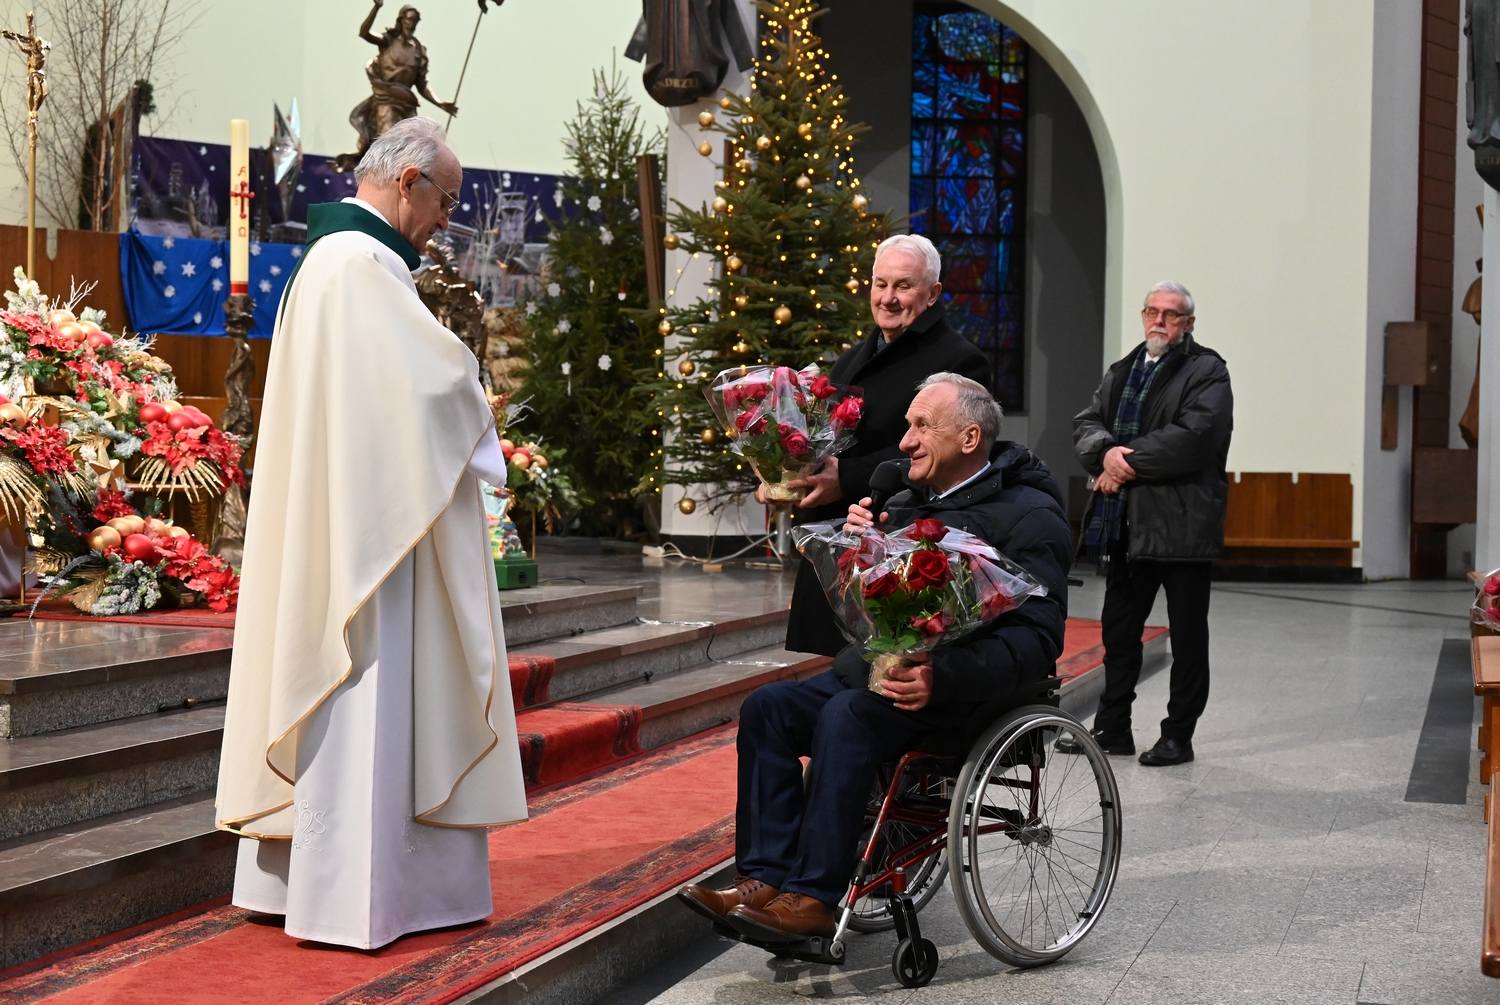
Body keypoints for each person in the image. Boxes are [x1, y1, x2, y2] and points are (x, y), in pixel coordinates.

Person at [216, 117, 527, 950]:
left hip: (353, 517)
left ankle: (309, 883)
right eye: (447, 199)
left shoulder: (336, 263)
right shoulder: (359, 266)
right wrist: (473, 389)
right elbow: (429, 387)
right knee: (371, 693)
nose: (447, 219)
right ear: (406, 182)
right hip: (369, 541)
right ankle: (363, 892)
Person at [681, 373, 1071, 940]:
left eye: (920, 427)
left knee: (846, 717)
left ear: (968, 439)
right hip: (877, 675)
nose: (905, 441)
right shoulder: (904, 499)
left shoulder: (1031, 515)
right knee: (769, 706)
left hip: (964, 697)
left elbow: (1039, 638)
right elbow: (870, 609)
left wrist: (943, 675)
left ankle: (812, 898)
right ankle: (763, 878)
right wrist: (854, 552)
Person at [779, 233, 989, 657]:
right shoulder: (854, 357)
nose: (888, 298)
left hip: (900, 542)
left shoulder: (960, 361)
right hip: (836, 537)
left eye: (903, 286)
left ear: (933, 294)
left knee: (872, 673)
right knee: (825, 672)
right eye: (880, 284)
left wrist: (849, 478)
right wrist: (790, 471)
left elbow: (947, 454)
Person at [1066, 280, 1233, 767]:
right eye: (1152, 312)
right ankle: (1112, 726)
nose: (1159, 321)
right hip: (1127, 525)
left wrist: (1121, 463)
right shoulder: (1123, 370)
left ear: (1189, 324)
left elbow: (1195, 437)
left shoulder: (1208, 371)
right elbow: (1086, 423)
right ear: (1143, 316)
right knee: (1119, 633)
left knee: (1187, 638)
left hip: (1182, 525)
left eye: (1171, 314)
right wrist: (1105, 451)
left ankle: (1178, 735)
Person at [337, 3, 460, 171]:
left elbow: (422, 85)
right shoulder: (388, 40)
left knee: (409, 149)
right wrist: (376, 8)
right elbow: (363, 33)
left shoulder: (419, 51)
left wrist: (440, 103)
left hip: (407, 104)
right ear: (401, 20)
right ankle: (378, 178)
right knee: (387, 143)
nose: (413, 23)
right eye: (409, 19)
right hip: (386, 99)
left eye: (416, 20)